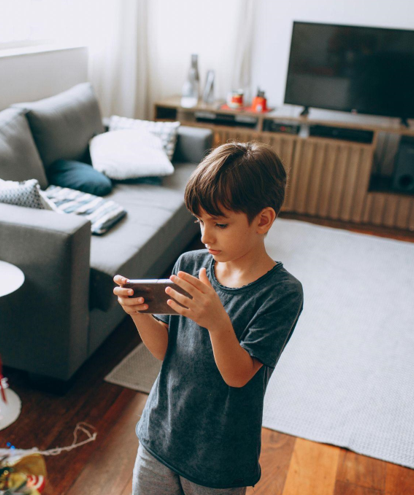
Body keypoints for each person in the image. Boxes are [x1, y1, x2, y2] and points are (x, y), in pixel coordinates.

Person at [113, 142, 304, 494]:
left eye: (219, 223)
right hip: (160, 434)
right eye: (199, 220)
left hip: (219, 459)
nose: (204, 235)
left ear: (263, 220)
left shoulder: (281, 293)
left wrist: (217, 322)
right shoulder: (190, 265)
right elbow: (165, 351)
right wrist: (138, 314)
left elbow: (237, 376)